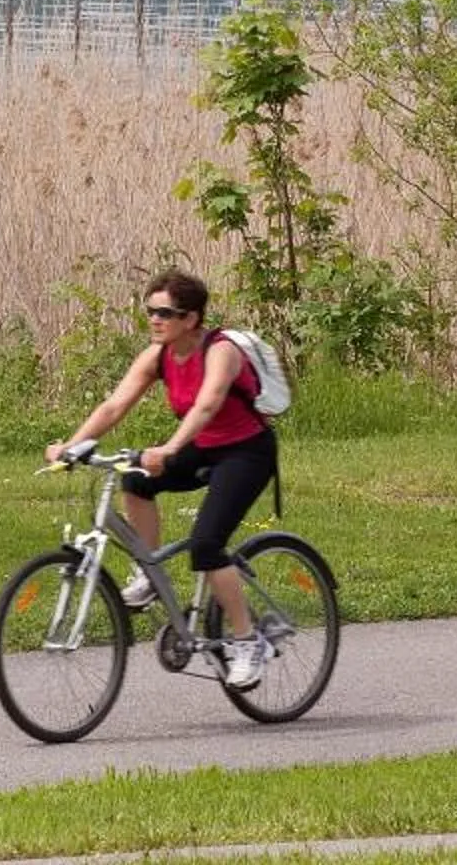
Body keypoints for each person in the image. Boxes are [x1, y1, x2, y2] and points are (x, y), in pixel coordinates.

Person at [45, 267, 277, 689]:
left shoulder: (219, 350)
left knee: (207, 545)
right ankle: (148, 575)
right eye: (150, 311)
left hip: (246, 452)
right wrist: (71, 447)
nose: (154, 320)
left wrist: (169, 450)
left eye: (165, 313)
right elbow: (114, 406)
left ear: (191, 319)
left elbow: (206, 407)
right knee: (135, 480)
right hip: (203, 445)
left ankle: (248, 641)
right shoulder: (158, 355)